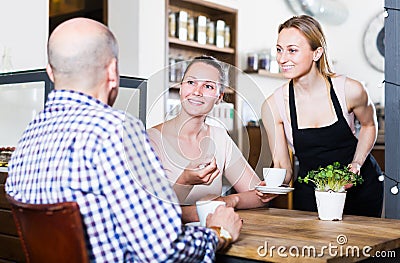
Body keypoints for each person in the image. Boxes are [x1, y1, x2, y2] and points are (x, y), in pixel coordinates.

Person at [5, 18, 243, 262]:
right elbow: (164, 251)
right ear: (112, 71)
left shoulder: (28, 137)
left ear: (50, 72)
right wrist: (218, 233)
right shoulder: (116, 130)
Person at [259, 15, 383, 217]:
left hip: (360, 190)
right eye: (279, 50)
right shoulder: (273, 106)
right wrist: (274, 186)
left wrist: (357, 163)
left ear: (317, 53)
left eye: (292, 50)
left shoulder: (350, 90)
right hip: (311, 193)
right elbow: (283, 167)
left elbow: (369, 125)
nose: (282, 59)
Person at [147, 55, 271, 223]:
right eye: (191, 82)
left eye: (208, 86)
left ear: (219, 97)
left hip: (215, 238)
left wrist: (229, 200)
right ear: (181, 87)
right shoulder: (150, 140)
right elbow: (150, 212)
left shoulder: (220, 137)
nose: (197, 92)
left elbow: (260, 195)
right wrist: (186, 182)